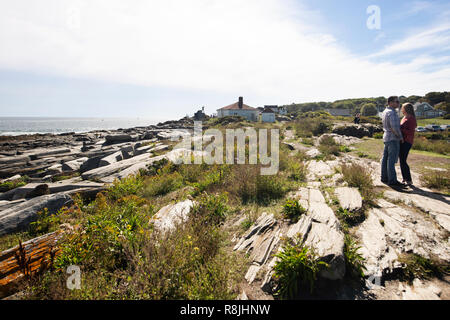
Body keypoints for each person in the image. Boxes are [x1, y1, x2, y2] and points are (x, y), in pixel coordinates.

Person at [381, 96, 405, 187]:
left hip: (386, 137)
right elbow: (395, 128)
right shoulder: (392, 113)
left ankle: (384, 177)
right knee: (391, 160)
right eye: (397, 102)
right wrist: (400, 137)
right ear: (390, 102)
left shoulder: (385, 112)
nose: (398, 104)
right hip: (393, 138)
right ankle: (392, 180)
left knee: (385, 159)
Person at [399, 103, 417, 185]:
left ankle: (409, 179)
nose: (401, 109)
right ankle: (405, 178)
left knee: (403, 160)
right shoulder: (404, 117)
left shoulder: (411, 118)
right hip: (402, 141)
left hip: (407, 141)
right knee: (401, 160)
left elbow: (410, 132)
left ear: (406, 109)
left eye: (402, 108)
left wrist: (401, 129)